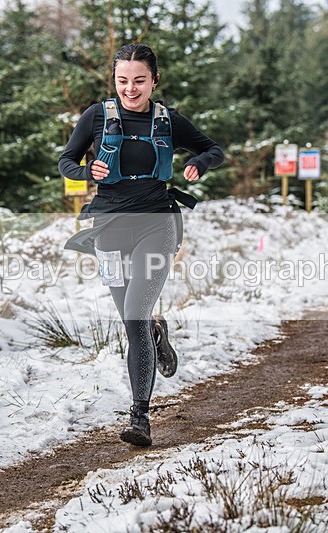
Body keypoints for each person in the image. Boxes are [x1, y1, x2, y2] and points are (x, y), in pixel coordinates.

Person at [58, 43, 224, 446]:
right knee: (136, 325)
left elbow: (213, 149)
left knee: (133, 315)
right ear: (114, 80)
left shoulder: (168, 119)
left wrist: (199, 163)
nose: (130, 89)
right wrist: (85, 171)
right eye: (122, 80)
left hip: (157, 223)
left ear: (154, 80)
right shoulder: (96, 116)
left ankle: (140, 417)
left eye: (139, 81)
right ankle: (154, 330)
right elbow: (65, 161)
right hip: (109, 228)